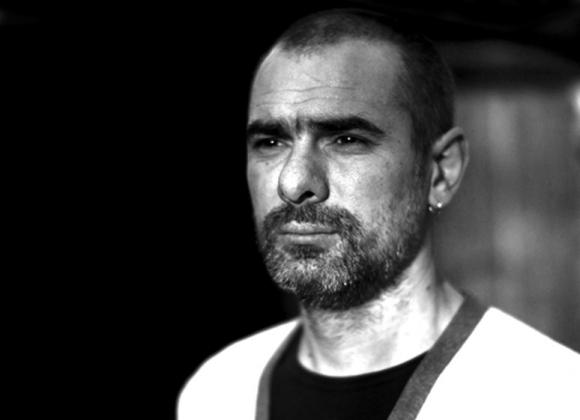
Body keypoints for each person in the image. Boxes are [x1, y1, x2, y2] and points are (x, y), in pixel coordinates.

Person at [178, 8, 580, 420]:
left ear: (440, 172)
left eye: (346, 139)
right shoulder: (218, 392)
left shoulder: (549, 397)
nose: (293, 183)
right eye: (270, 142)